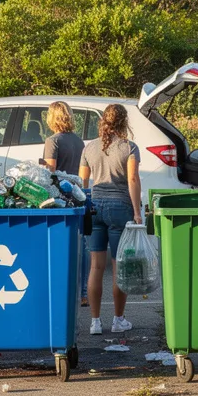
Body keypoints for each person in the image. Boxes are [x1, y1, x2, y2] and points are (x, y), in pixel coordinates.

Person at [79, 104, 142, 336]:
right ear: (124, 122)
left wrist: (85, 204)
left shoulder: (90, 147)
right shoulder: (129, 147)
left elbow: (83, 182)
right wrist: (136, 211)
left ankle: (95, 322)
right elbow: (133, 179)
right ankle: (118, 319)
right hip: (120, 208)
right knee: (118, 266)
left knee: (96, 266)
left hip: (95, 205)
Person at [41, 101, 89, 306]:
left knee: (59, 244)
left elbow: (50, 172)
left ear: (52, 118)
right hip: (77, 194)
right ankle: (84, 293)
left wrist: (41, 166)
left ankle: (61, 291)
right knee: (81, 245)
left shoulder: (53, 141)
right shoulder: (79, 142)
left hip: (59, 196)